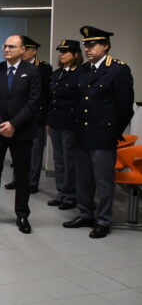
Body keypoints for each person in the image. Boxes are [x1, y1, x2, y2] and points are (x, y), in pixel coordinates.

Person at [63, 26, 134, 238]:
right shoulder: (84, 70)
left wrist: (112, 132)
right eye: (86, 44)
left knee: (103, 181)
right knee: (83, 178)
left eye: (92, 44)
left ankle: (103, 220)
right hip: (82, 134)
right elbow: (78, 101)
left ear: (106, 46)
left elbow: (124, 108)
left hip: (103, 135)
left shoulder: (118, 70)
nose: (88, 48)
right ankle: (86, 214)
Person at [0, 34, 40, 234]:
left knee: (21, 175)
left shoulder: (33, 71)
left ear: (23, 50)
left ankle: (22, 215)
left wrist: (14, 124)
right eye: (5, 46)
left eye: (12, 46)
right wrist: (1, 124)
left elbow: (34, 101)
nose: (7, 49)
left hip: (21, 132)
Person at [5, 36, 52, 192]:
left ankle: (32, 182)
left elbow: (46, 95)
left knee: (35, 151)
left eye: (26, 49)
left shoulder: (44, 68)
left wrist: (46, 118)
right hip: (19, 116)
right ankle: (16, 179)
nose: (23, 52)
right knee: (17, 150)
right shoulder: (18, 66)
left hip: (36, 116)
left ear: (34, 51)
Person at [46, 40, 83, 211]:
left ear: (76, 55)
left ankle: (71, 195)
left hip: (70, 124)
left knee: (70, 161)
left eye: (66, 51)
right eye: (60, 51)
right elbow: (50, 100)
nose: (61, 54)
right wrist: (48, 121)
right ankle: (61, 193)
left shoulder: (81, 74)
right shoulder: (56, 73)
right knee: (59, 160)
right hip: (55, 123)